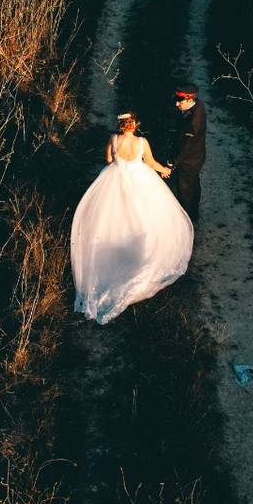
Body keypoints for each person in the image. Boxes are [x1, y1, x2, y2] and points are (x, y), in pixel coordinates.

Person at [71, 112, 194, 324]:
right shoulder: (142, 142)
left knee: (111, 218)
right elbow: (151, 162)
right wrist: (165, 170)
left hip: (115, 180)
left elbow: (109, 160)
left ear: (120, 126)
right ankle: (140, 253)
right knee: (145, 216)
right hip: (140, 180)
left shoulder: (114, 139)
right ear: (134, 125)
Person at [169, 84, 206, 222]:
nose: (176, 103)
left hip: (188, 160)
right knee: (194, 185)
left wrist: (172, 162)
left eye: (180, 101)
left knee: (185, 190)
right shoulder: (198, 105)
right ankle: (194, 214)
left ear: (190, 100)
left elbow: (186, 146)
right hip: (197, 157)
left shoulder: (194, 121)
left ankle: (186, 220)